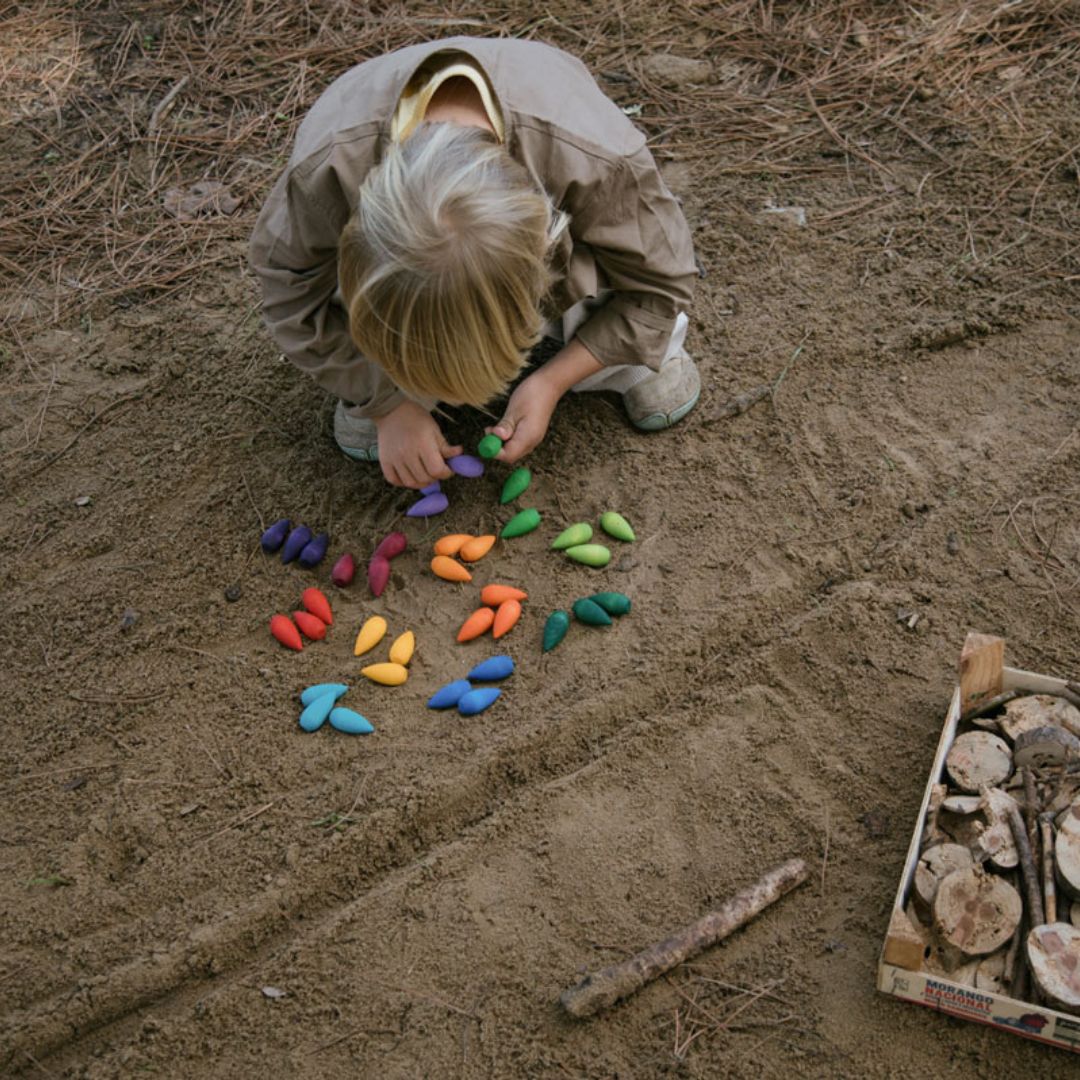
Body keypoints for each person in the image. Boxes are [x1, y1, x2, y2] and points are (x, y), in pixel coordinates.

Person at [250, 37, 700, 489]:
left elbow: (663, 282)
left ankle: (624, 363)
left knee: (630, 276)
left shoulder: (596, 161)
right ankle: (386, 386)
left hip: (572, 206)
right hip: (376, 241)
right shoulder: (324, 176)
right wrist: (385, 404)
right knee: (342, 304)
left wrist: (552, 381)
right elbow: (289, 297)